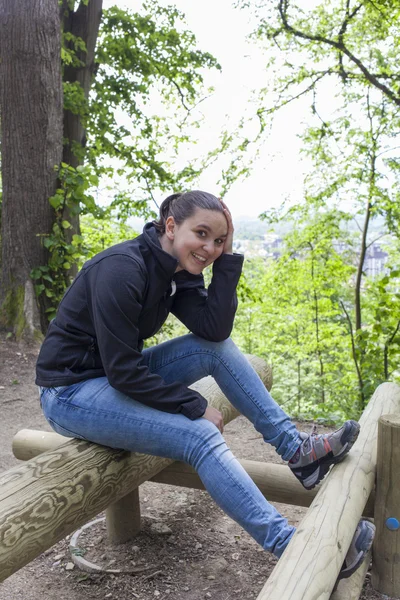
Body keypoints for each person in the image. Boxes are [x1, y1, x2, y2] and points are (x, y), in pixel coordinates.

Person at [36, 190, 374, 579]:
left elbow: (213, 330)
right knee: (199, 435)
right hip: (70, 393)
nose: (209, 248)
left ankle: (298, 451)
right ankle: (294, 547)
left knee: (215, 348)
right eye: (201, 234)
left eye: (218, 240)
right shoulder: (123, 268)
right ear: (171, 226)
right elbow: (123, 372)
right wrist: (194, 405)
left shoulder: (178, 272)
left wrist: (227, 260)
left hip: (112, 376)